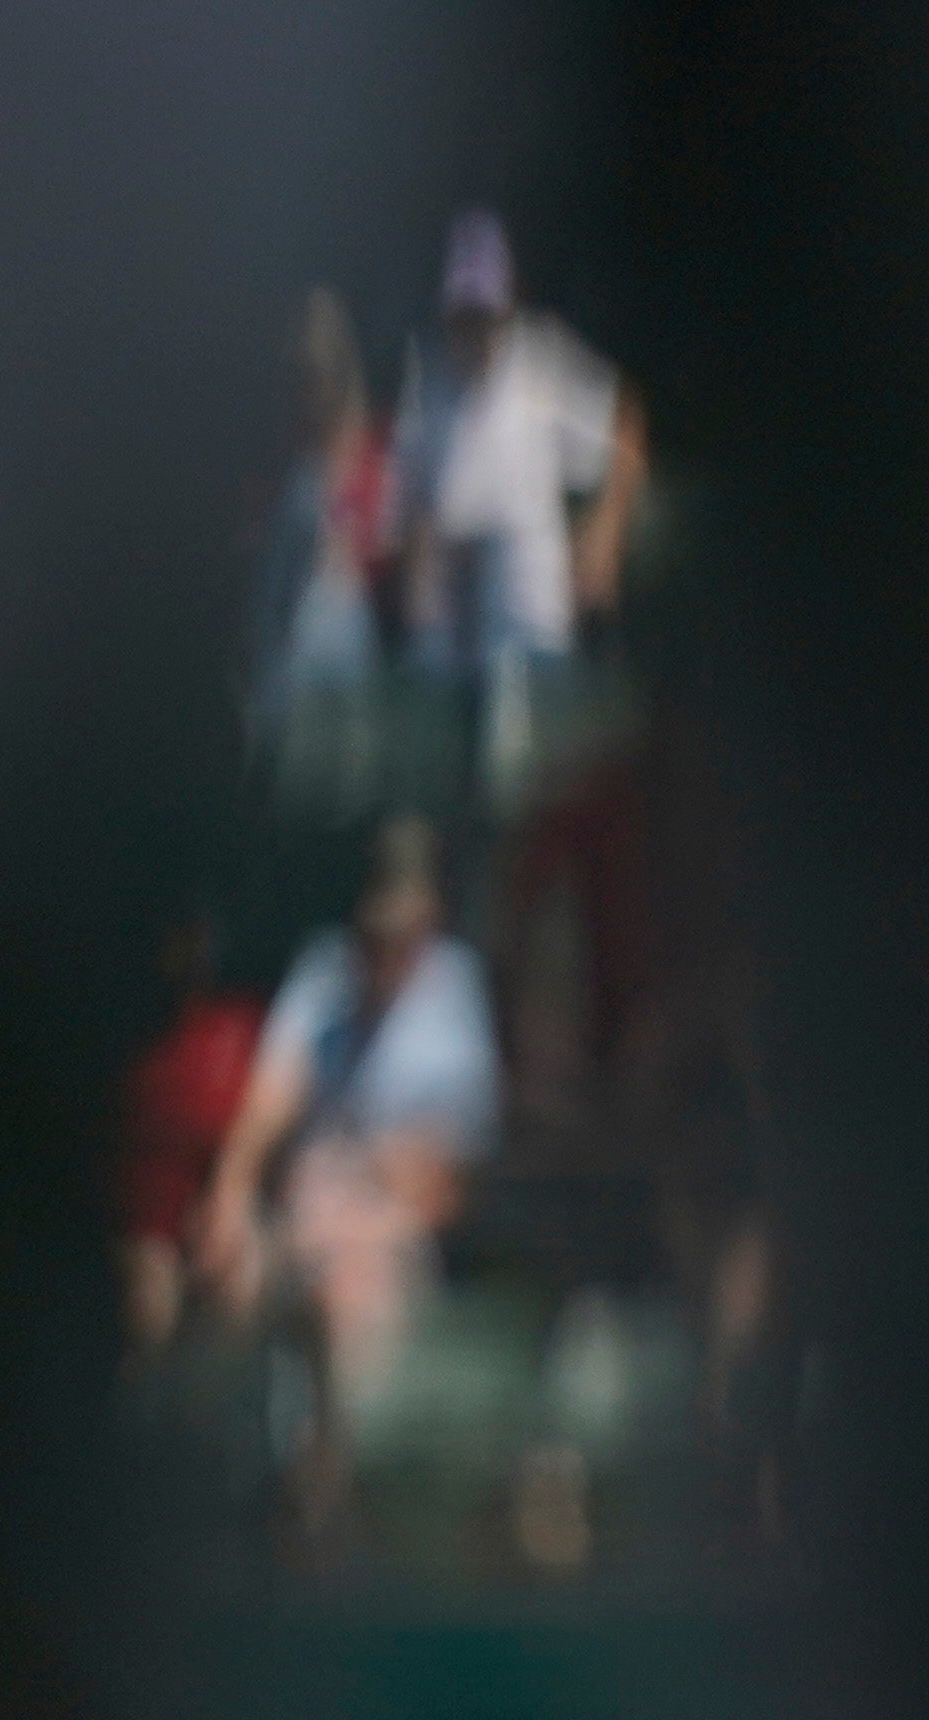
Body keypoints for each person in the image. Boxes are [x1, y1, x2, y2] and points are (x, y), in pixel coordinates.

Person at [197, 814, 498, 1430]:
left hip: (388, 1225)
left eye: (397, 933)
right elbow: (272, 1098)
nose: (380, 951)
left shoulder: (456, 999)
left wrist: (366, 1192)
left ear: (429, 918)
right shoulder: (325, 973)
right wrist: (229, 1192)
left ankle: (338, 1486)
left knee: (352, 1290)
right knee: (226, 1267)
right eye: (371, 932)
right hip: (305, 1204)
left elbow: (452, 1186)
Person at [386, 212, 643, 796]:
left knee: (536, 773)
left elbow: (625, 426)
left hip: (531, 635)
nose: (475, 333)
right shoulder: (423, 380)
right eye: (463, 317)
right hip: (450, 643)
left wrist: (604, 532)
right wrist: (418, 554)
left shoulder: (541, 363)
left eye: (487, 316)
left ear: (507, 310)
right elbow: (400, 509)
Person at [254, 289, 390, 796]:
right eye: (303, 372)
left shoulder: (376, 455)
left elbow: (384, 563)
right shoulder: (277, 465)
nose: (313, 383)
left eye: (323, 369)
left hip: (347, 674)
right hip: (283, 673)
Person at [115, 907, 266, 1353]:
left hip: (226, 1203)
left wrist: (229, 1206)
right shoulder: (125, 1030)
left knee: (243, 1276)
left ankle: (214, 1415)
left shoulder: (242, 1022)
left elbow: (263, 1122)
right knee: (148, 1295)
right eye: (179, 936)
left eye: (198, 935)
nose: (191, 949)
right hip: (144, 1222)